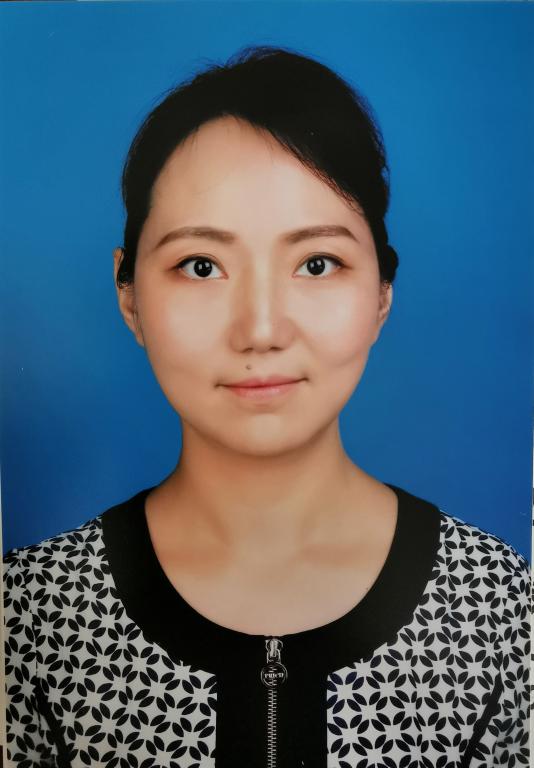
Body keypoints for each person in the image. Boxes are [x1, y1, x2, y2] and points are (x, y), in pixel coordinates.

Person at [3, 45, 530, 768]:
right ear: (128, 295)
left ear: (382, 293)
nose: (260, 329)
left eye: (317, 264)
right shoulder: (29, 614)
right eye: (201, 266)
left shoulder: (500, 608)